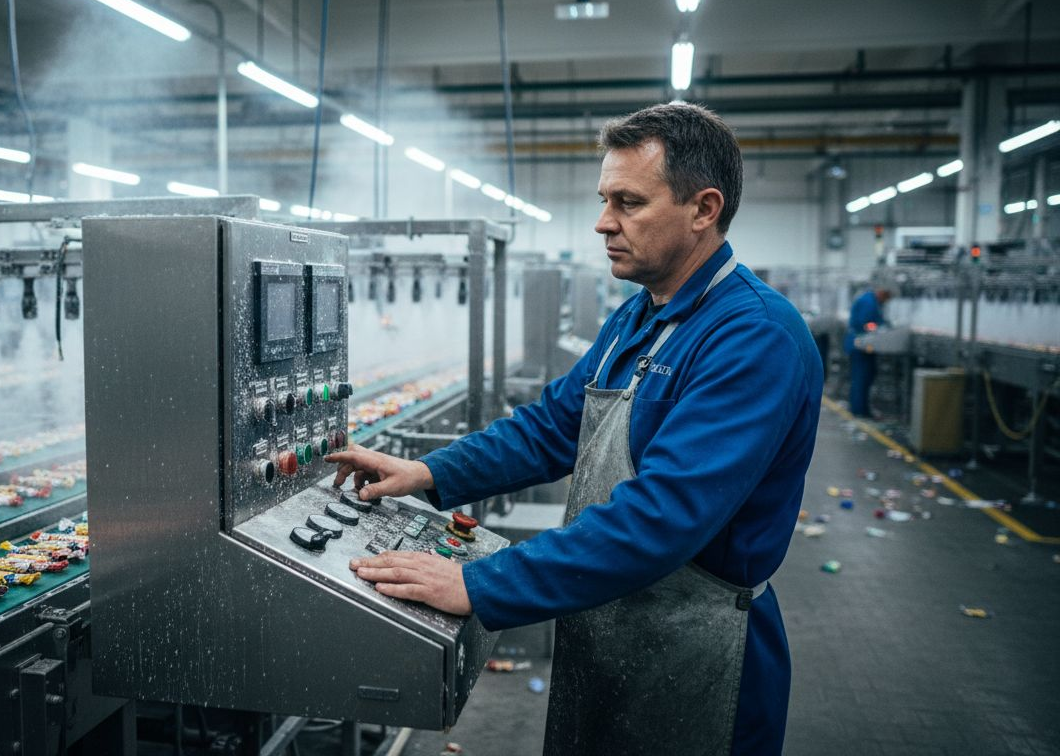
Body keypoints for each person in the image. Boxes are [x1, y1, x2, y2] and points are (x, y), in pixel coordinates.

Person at [326, 103, 823, 756]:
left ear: (703, 209)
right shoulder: (641, 315)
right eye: (603, 198)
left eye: (629, 202)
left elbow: (662, 517)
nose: (602, 222)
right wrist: (429, 471)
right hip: (615, 626)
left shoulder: (752, 337)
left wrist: (481, 584)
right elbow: (549, 429)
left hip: (698, 653)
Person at [844, 287, 892, 417]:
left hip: (862, 344)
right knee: (861, 378)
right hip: (860, 344)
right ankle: (859, 410)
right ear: (882, 292)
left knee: (864, 377)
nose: (885, 302)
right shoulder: (869, 302)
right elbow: (865, 324)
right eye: (886, 298)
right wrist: (880, 328)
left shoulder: (870, 300)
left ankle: (861, 409)